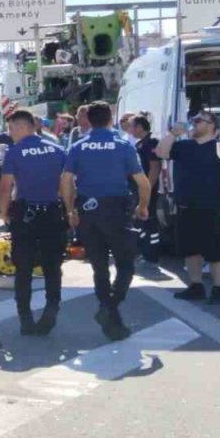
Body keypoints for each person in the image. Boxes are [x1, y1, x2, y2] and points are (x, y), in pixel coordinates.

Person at [61, 101, 150, 341]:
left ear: (88, 120)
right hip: (116, 210)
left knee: (99, 266)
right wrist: (143, 206)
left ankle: (109, 314)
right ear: (110, 118)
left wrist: (70, 210)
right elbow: (143, 183)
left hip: (88, 210)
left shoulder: (78, 146)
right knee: (125, 264)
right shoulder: (123, 145)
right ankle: (110, 306)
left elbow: (66, 181)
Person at [156, 111, 220, 305]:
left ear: (213, 127)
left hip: (213, 206)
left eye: (199, 120)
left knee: (215, 249)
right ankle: (196, 286)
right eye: (193, 120)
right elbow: (160, 152)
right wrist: (172, 134)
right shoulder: (184, 146)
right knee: (190, 249)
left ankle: (218, 288)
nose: (194, 123)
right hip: (185, 205)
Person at [0, 109, 67, 335]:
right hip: (51, 213)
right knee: (52, 265)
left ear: (22, 127)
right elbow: (66, 184)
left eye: (11, 128)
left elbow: (5, 187)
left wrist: (4, 212)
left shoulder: (14, 152)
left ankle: (25, 319)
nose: (10, 133)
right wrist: (69, 210)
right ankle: (51, 310)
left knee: (23, 267)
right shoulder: (57, 149)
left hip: (25, 214)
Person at [127, 114, 162, 269]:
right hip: (139, 189)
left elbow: (155, 167)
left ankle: (152, 256)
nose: (129, 129)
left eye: (131, 126)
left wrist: (147, 187)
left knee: (149, 223)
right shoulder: (140, 143)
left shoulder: (151, 142)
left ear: (140, 127)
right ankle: (144, 252)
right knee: (141, 222)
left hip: (147, 190)